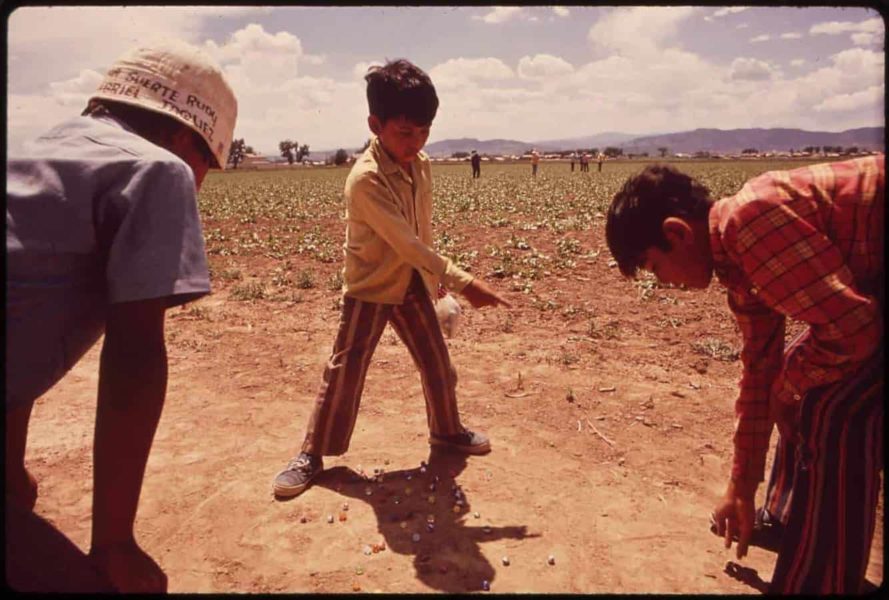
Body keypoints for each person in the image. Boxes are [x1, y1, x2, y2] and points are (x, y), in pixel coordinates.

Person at [5, 39, 238, 592]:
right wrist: (115, 544)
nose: (200, 181)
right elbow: (135, 352)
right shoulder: (156, 169)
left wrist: (10, 470)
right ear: (185, 139)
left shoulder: (28, 156)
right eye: (208, 162)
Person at [604, 157, 884, 594]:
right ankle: (790, 519)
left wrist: (788, 387)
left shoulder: (749, 223)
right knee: (798, 376)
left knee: (834, 409)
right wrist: (741, 488)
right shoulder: (738, 267)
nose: (664, 282)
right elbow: (759, 371)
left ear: (677, 233)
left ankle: (821, 581)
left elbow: (855, 328)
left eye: (655, 267)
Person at [273, 59, 511, 499]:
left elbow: (422, 229)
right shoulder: (365, 179)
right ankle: (311, 454)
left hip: (412, 283)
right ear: (375, 125)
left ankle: (447, 431)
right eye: (405, 132)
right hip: (370, 288)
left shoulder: (420, 165)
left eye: (424, 131)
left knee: (438, 364)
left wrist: (434, 280)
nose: (415, 141)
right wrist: (463, 282)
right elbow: (406, 241)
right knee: (344, 373)